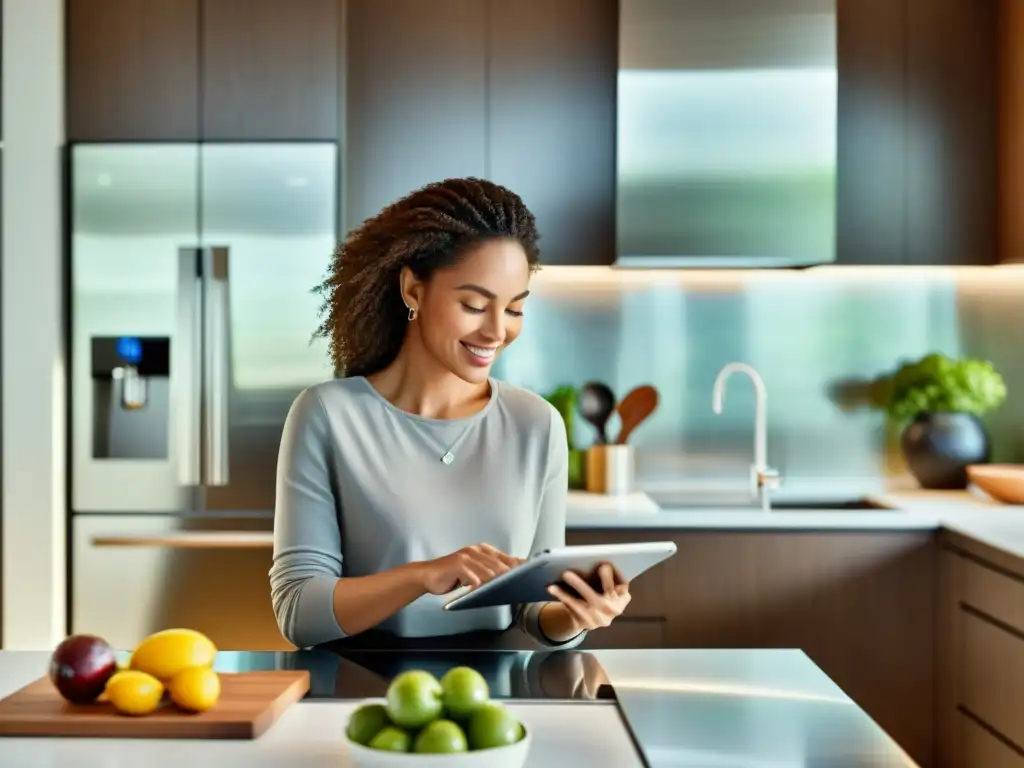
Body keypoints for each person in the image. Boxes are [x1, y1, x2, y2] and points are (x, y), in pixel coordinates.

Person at [269, 177, 631, 651]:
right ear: (413, 291)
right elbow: (298, 611)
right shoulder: (328, 415)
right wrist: (424, 576)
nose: (496, 331)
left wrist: (577, 614)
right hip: (357, 692)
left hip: (496, 701)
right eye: (474, 305)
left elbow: (534, 610)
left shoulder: (536, 424)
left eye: (515, 310)